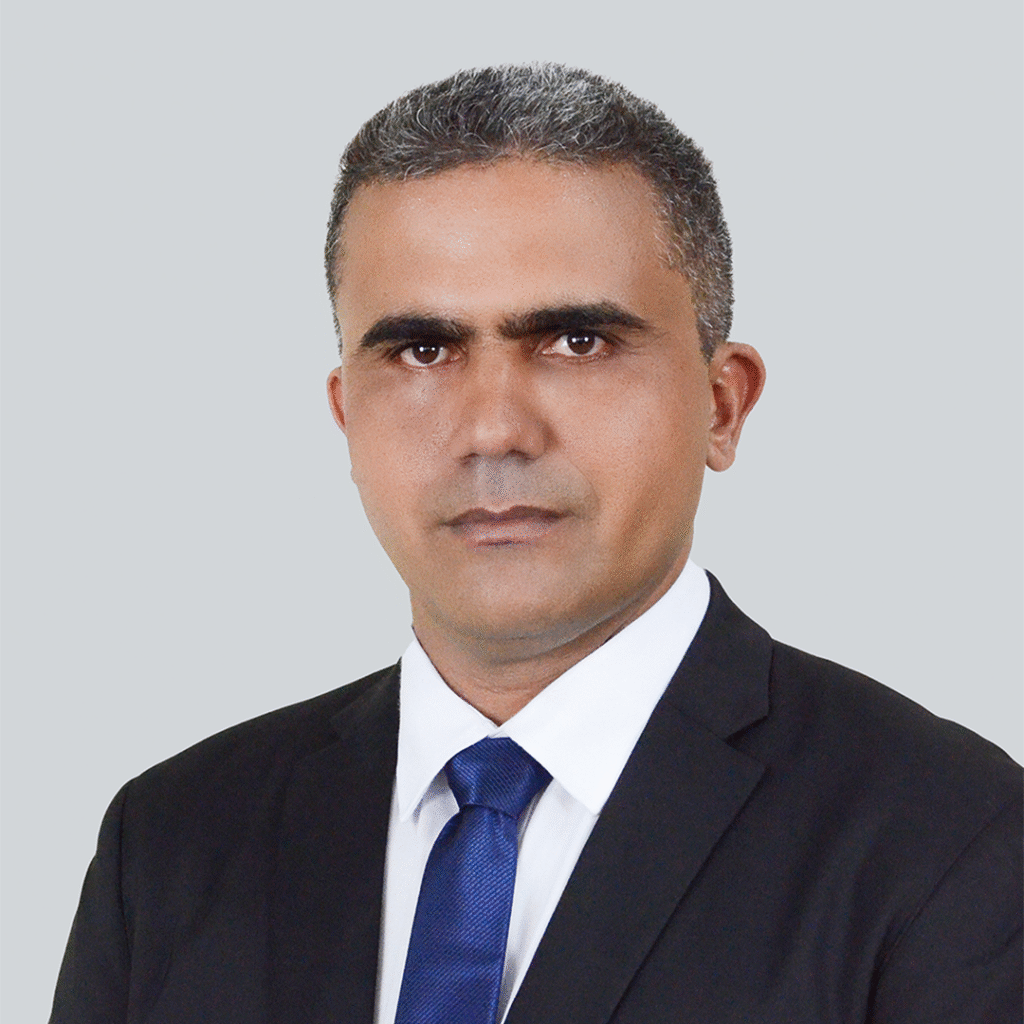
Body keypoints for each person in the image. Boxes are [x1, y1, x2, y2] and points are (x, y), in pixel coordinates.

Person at [51, 63, 1021, 1024]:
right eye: (423, 350)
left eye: (576, 342)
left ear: (722, 405)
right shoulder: (173, 842)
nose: (494, 430)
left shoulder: (952, 841)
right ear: (347, 417)